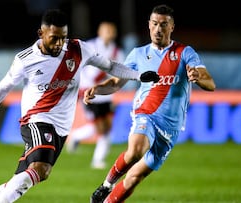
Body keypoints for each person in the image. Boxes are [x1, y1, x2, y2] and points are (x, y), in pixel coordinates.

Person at [0, 9, 159, 203]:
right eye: (54, 38)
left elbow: (110, 66)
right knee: (41, 169)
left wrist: (138, 76)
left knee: (22, 178)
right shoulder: (25, 60)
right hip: (37, 120)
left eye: (63, 38)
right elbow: (4, 87)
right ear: (40, 34)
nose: (59, 44)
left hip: (61, 128)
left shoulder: (78, 49)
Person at [88, 4, 216, 203]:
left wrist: (198, 77)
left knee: (134, 178)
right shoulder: (139, 54)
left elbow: (210, 83)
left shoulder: (185, 52)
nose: (158, 29)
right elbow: (116, 83)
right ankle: (106, 185)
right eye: (155, 24)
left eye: (164, 24)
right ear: (149, 25)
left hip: (171, 127)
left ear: (172, 27)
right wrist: (97, 89)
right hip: (145, 113)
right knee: (136, 150)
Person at [66, 21, 125, 169]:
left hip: (106, 94)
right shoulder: (89, 46)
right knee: (99, 127)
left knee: (106, 127)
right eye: (106, 30)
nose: (109, 33)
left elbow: (121, 72)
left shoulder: (117, 51)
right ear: (99, 32)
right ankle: (96, 159)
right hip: (89, 92)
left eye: (111, 31)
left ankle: (82, 142)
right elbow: (87, 72)